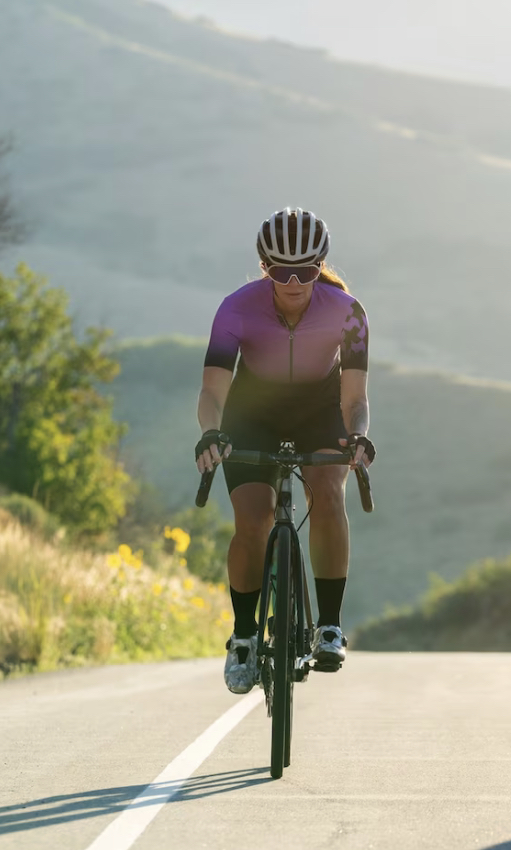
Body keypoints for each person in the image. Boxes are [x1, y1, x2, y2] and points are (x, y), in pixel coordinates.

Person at [195, 208, 374, 694]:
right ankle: (245, 638)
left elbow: (355, 399)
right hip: (253, 412)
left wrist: (357, 435)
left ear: (321, 266)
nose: (293, 281)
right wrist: (212, 432)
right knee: (252, 521)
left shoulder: (347, 311)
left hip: (320, 408)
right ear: (263, 266)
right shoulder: (235, 308)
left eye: (306, 271)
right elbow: (213, 392)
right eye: (280, 270)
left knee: (327, 495)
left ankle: (330, 626)